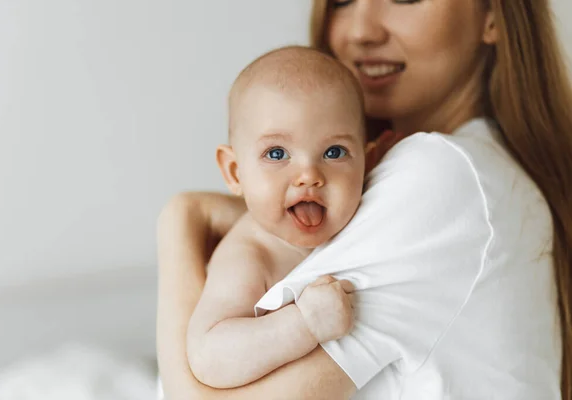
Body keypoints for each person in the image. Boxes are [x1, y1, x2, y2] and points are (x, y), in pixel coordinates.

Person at [157, 0, 572, 399]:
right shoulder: (482, 171)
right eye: (342, 0)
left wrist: (180, 224)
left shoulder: (442, 173)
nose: (360, 31)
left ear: (493, 15)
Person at [186, 45, 383, 389]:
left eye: (334, 152)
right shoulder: (250, 255)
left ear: (368, 163)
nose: (308, 174)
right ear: (235, 172)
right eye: (276, 153)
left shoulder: (370, 217)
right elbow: (209, 356)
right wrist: (304, 324)